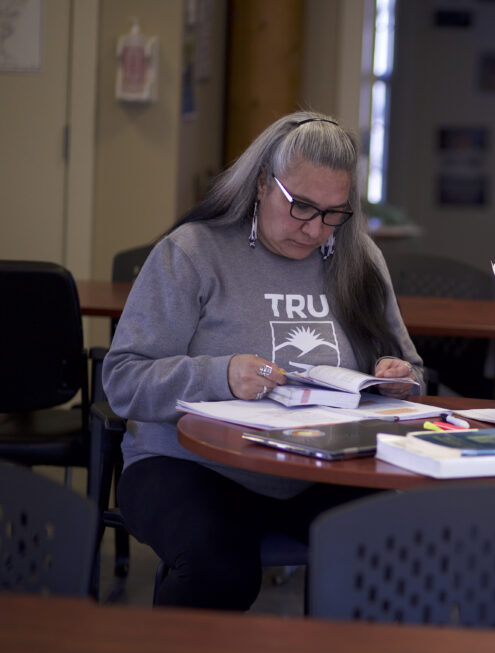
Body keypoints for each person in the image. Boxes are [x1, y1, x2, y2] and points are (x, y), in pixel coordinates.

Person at [104, 111, 424, 609]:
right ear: (260, 184)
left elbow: (412, 373)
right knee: (220, 569)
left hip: (318, 470)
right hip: (188, 465)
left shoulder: (357, 257)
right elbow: (122, 381)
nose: (316, 229)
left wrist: (398, 380)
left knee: (392, 556)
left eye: (334, 213)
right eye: (301, 206)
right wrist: (220, 375)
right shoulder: (193, 253)